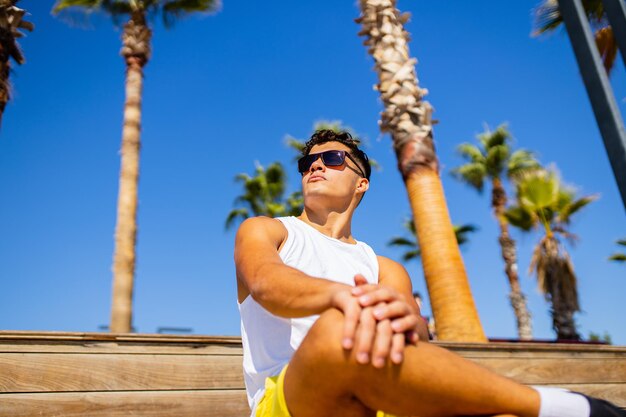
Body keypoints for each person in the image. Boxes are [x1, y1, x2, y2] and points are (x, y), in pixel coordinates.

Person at [235, 129, 623, 417]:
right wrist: (342, 297)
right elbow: (268, 284)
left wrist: (408, 322)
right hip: (286, 402)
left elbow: (417, 337)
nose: (316, 165)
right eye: (308, 163)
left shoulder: (385, 268)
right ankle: (567, 407)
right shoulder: (267, 229)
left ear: (361, 184)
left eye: (333, 159)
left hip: (379, 400)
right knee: (342, 329)